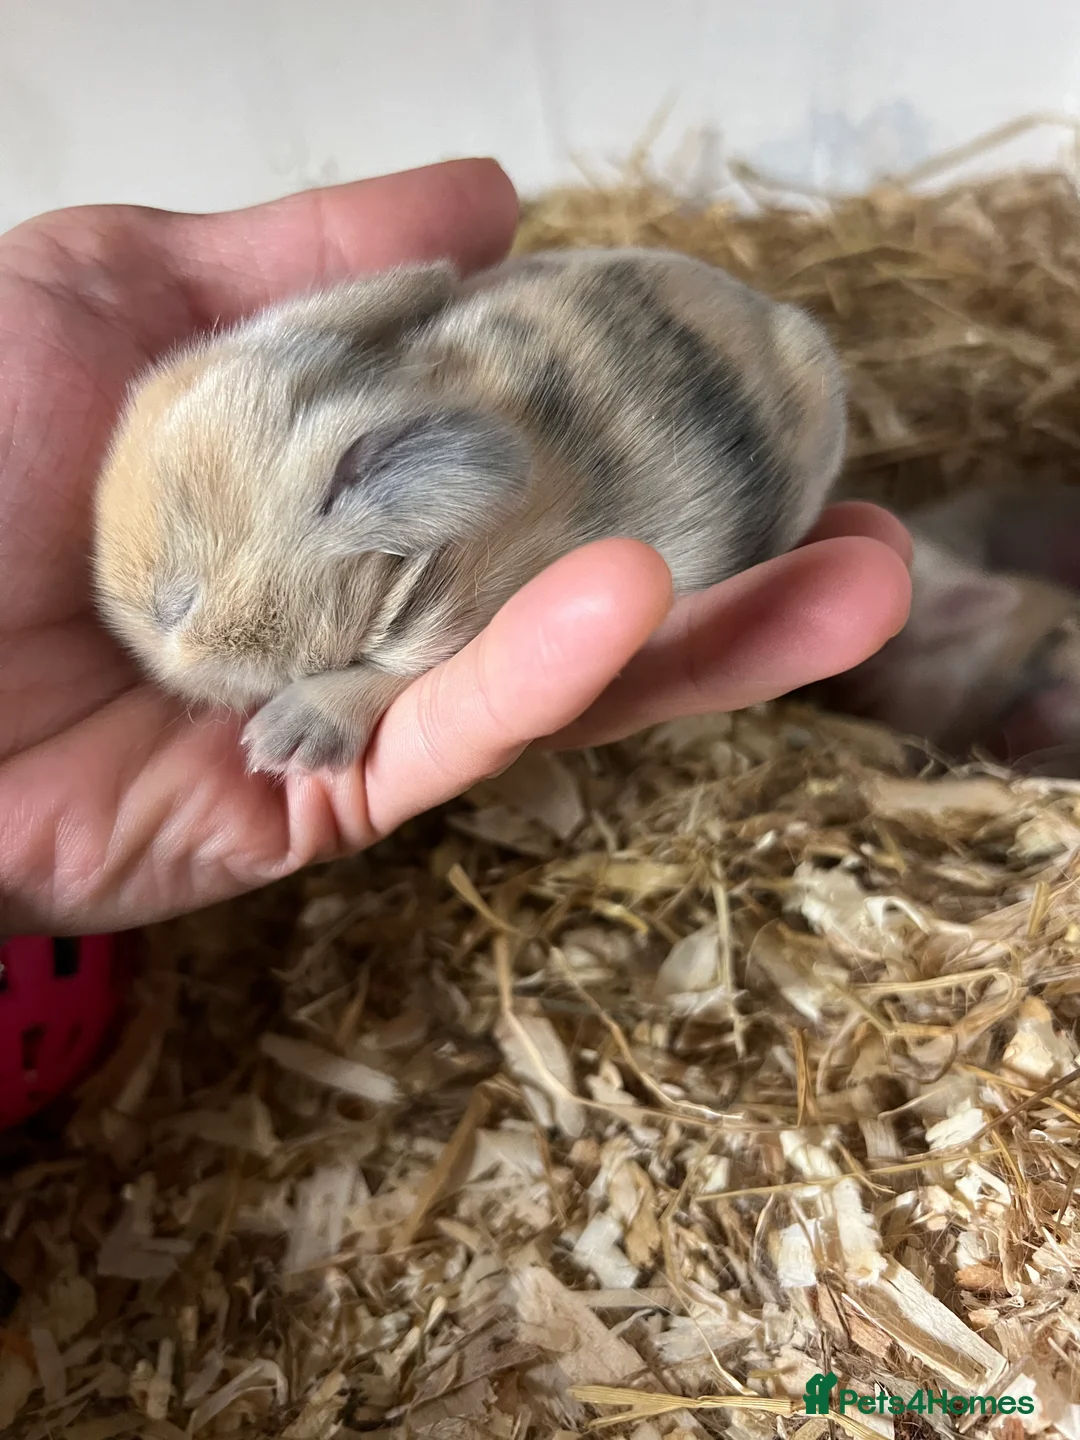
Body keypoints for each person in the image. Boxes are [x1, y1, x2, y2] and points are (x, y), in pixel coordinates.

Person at [0, 158, 912, 937]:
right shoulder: (354, 419)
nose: (139, 616)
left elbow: (454, 639)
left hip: (739, 388)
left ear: (382, 507)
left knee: (785, 402)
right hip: (619, 316)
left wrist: (355, 692)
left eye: (180, 598)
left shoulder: (459, 560)